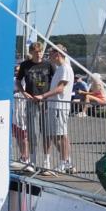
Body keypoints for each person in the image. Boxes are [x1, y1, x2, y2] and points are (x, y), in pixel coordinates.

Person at [34, 44, 74, 175]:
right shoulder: (60, 69)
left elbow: (60, 88)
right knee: (59, 135)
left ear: (57, 54)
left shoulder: (65, 68)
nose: (48, 56)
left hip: (59, 107)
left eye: (50, 54)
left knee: (60, 136)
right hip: (55, 106)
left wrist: (43, 96)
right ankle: (67, 162)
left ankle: (64, 163)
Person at [14, 42, 53, 171]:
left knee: (46, 132)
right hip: (31, 101)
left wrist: (47, 96)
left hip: (46, 102)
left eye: (40, 51)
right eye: (36, 52)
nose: (39, 54)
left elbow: (55, 82)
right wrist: (24, 92)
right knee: (32, 132)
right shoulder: (25, 65)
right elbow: (18, 81)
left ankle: (47, 161)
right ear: (31, 52)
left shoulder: (49, 65)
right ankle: (32, 160)